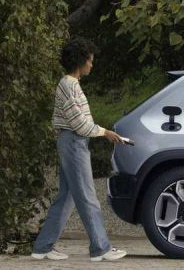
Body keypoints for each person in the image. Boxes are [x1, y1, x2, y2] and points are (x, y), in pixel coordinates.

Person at [31, 37, 128, 261]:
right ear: (80, 61)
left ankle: (42, 247)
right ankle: (100, 249)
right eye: (90, 61)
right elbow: (78, 123)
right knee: (88, 196)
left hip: (72, 141)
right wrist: (106, 132)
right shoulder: (68, 85)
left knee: (67, 197)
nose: (92, 65)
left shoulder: (71, 84)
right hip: (73, 142)